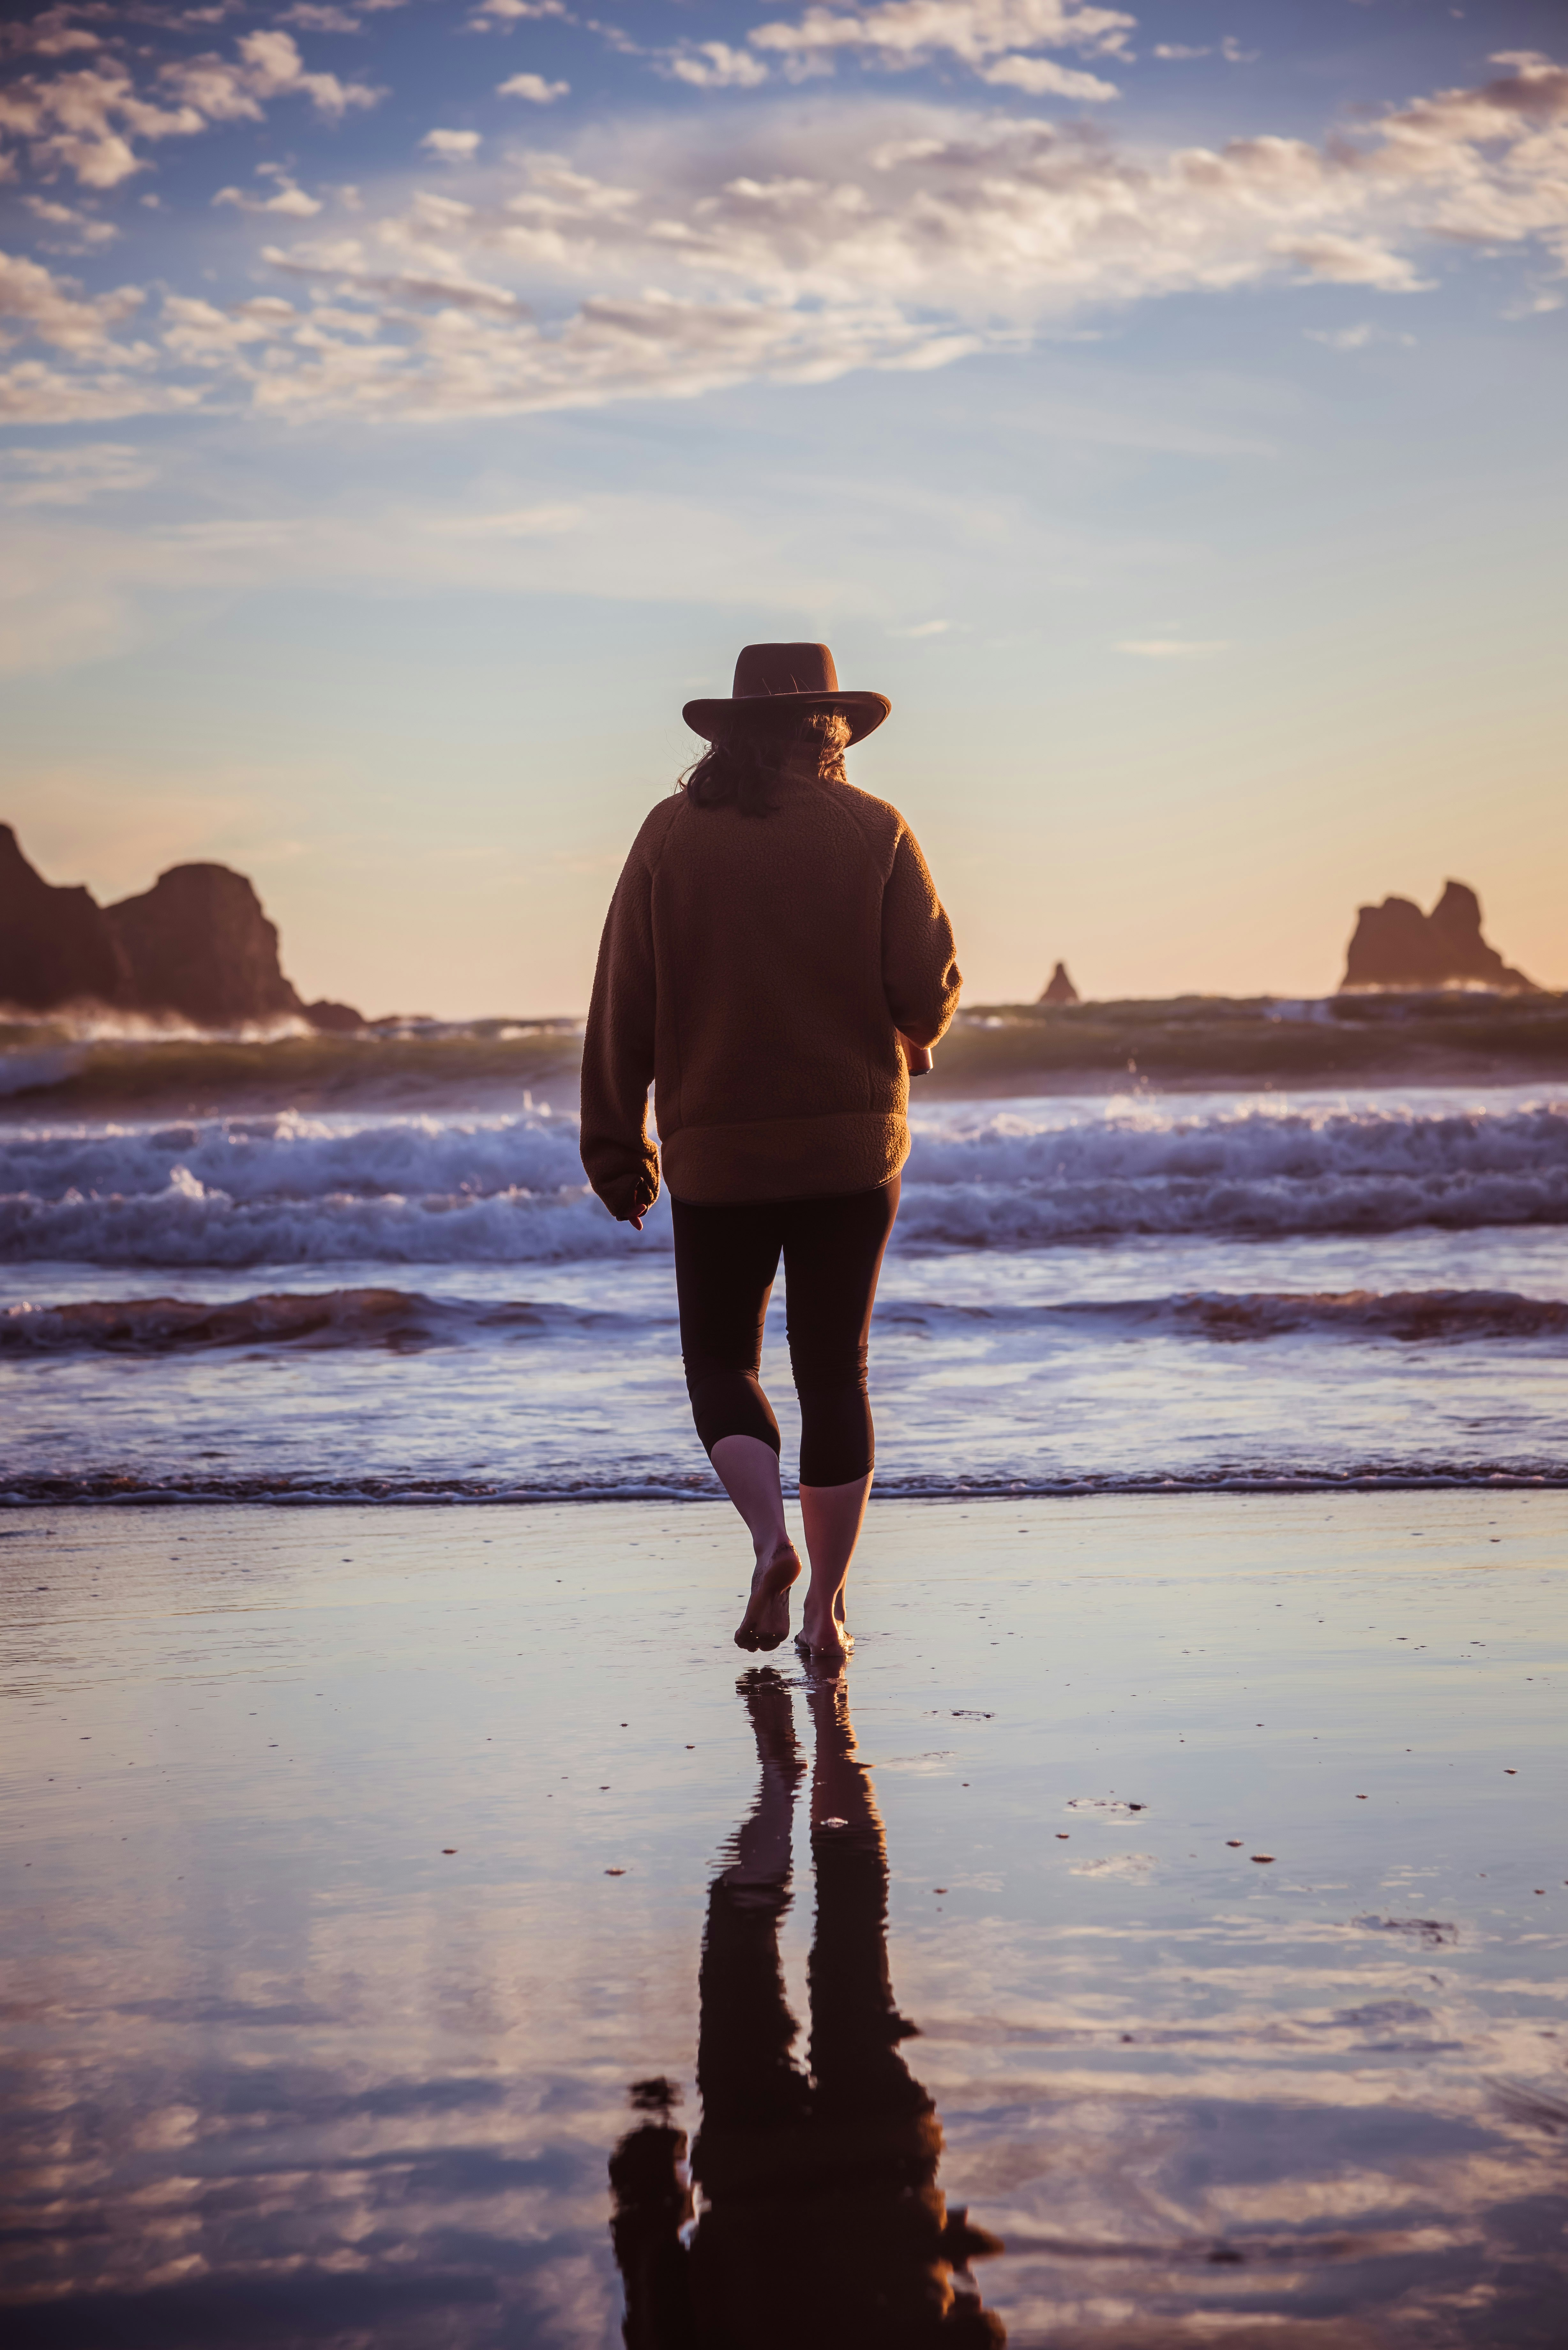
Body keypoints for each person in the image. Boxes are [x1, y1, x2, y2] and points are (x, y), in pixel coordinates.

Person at [580, 642, 961, 1661]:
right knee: (836, 1372)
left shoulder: (670, 834)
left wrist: (619, 1150)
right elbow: (928, 987)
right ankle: (828, 1608)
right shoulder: (877, 828)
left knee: (721, 1361)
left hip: (718, 1152)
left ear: (733, 731)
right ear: (829, 726)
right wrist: (912, 1031)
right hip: (854, 1145)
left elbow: (624, 1000)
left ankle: (767, 1541)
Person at [608, 1667, 1006, 2349]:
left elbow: (980, 2333)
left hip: (887, 2172)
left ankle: (823, 1742)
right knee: (741, 1972)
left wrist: (935, 2263)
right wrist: (648, 2155)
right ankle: (782, 1779)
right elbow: (654, 2280)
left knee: (854, 1961)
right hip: (751, 2172)